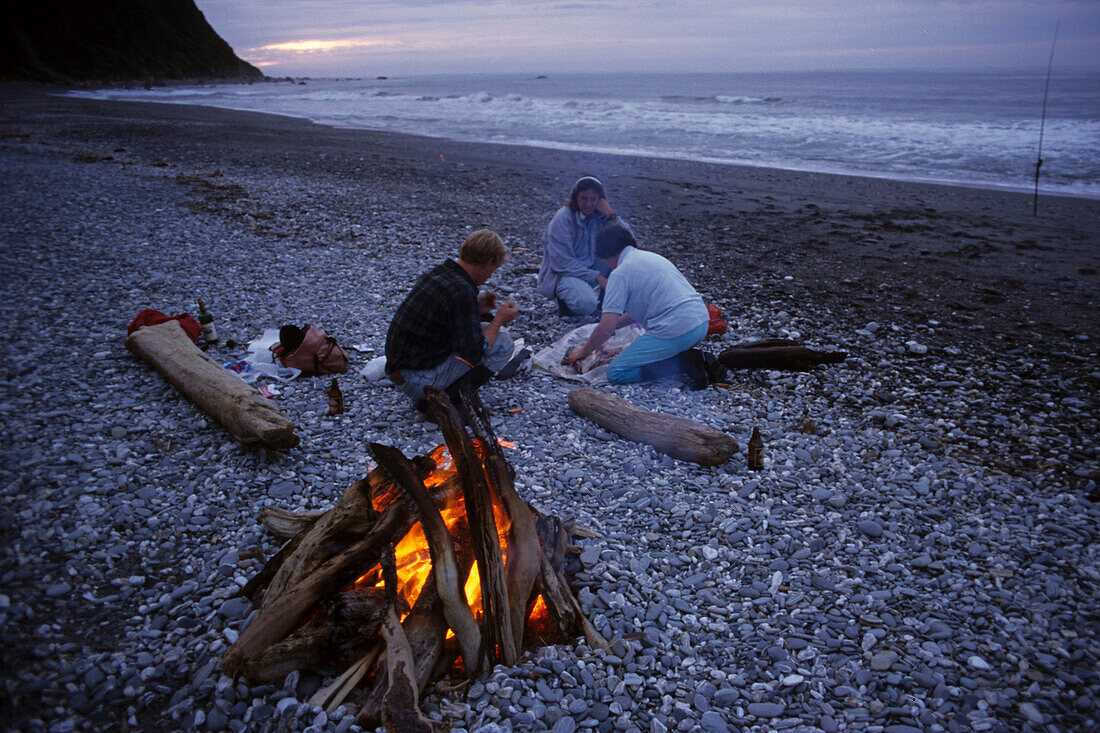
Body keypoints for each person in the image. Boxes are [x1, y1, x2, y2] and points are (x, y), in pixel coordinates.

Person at [385, 229, 519, 412]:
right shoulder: (462, 291)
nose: (490, 276)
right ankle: (445, 404)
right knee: (503, 343)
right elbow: (475, 351)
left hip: (400, 370)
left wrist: (477, 307)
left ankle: (432, 397)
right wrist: (499, 320)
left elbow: (445, 318)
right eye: (492, 270)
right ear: (488, 262)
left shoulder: (441, 273)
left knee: (485, 328)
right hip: (417, 379)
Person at [567, 226, 710, 389]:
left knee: (617, 372)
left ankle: (683, 363)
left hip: (677, 330)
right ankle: (681, 355)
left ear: (607, 255)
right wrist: (606, 329)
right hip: (701, 324)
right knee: (650, 346)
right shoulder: (651, 257)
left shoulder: (620, 273)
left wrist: (584, 351)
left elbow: (606, 329)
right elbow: (638, 311)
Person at [538, 176, 632, 317]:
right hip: (564, 272)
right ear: (575, 198)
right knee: (587, 305)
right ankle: (566, 303)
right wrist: (598, 278)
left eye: (593, 199)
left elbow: (629, 240)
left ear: (600, 200)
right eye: (584, 199)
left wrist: (611, 215)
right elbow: (562, 262)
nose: (588, 204)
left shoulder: (600, 216)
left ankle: (605, 302)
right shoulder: (563, 219)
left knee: (623, 255)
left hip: (589, 265)